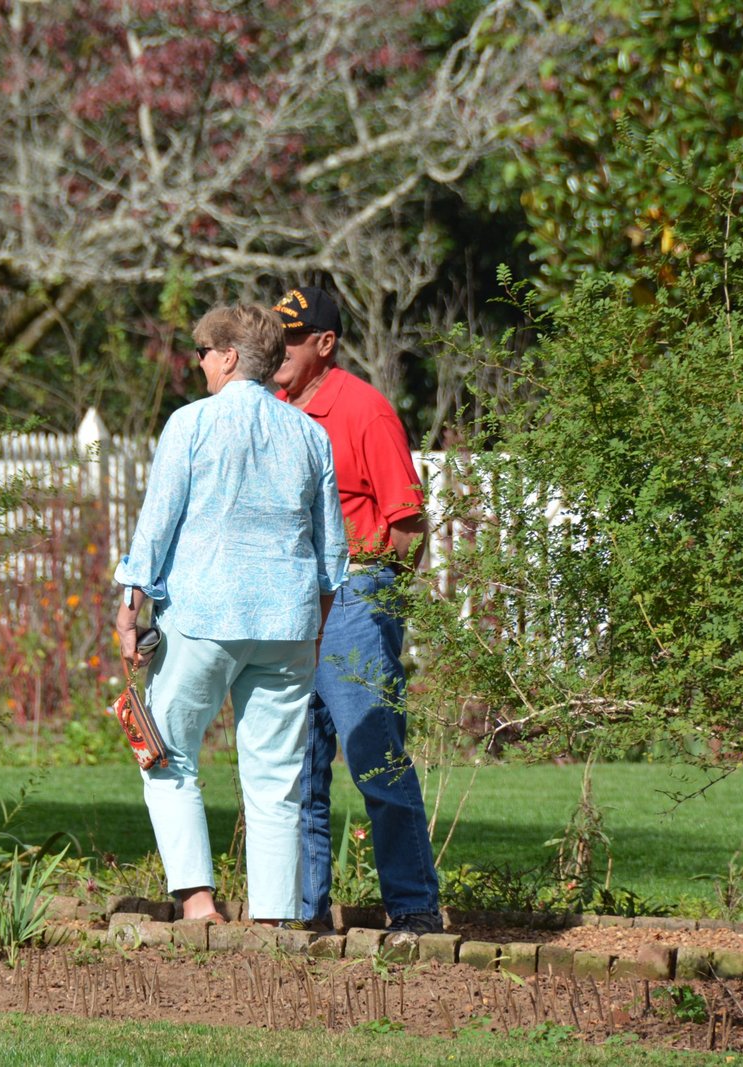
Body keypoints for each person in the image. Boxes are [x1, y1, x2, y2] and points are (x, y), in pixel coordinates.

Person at [114, 304, 347, 924]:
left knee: (165, 754)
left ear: (229, 356)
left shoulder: (191, 424)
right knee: (276, 778)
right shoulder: (309, 434)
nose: (199, 364)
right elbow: (331, 553)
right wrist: (314, 628)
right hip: (288, 623)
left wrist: (130, 606)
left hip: (205, 614)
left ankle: (198, 904)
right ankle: (273, 918)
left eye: (202, 353)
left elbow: (157, 522)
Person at [273, 284, 443, 938]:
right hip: (292, 604)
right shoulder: (275, 411)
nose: (281, 349)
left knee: (375, 758)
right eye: (277, 336)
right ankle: (305, 911)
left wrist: (376, 599)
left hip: (353, 596)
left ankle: (414, 908)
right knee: (297, 770)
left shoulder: (365, 410)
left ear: (325, 343)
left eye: (293, 338)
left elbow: (409, 525)